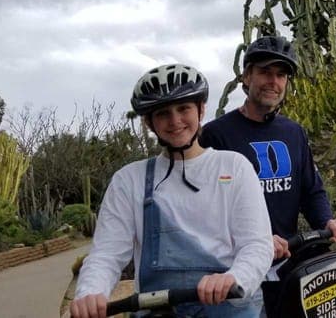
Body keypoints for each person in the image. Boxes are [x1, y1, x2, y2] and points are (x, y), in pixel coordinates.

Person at [70, 64, 272, 318]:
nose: (175, 121)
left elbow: (257, 244)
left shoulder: (234, 166)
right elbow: (106, 254)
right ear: (149, 122)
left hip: (229, 308)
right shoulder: (129, 180)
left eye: (184, 108)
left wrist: (234, 277)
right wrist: (90, 293)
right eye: (163, 113)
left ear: (200, 110)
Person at [201, 35, 336, 317]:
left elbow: (311, 189)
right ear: (247, 76)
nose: (274, 81)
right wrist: (256, 239)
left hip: (287, 265)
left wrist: (327, 220)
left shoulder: (293, 132)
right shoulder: (216, 134)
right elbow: (208, 209)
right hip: (236, 272)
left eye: (281, 74)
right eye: (265, 72)